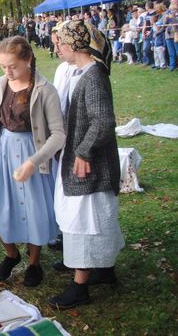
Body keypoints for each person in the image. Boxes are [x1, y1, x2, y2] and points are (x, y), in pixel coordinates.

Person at [0, 36, 65, 287]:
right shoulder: (1, 84)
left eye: (12, 66)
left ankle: (34, 263)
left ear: (27, 60)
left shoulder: (44, 90)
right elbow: (0, 117)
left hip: (32, 153)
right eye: (3, 66)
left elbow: (59, 135)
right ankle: (12, 254)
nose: (7, 72)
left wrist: (33, 161)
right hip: (3, 152)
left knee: (33, 209)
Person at [48, 20, 124, 309]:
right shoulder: (84, 72)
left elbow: (103, 120)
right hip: (86, 161)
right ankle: (104, 270)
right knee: (97, 219)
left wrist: (83, 153)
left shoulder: (93, 77)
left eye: (60, 44)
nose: (57, 48)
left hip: (92, 166)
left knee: (84, 220)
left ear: (71, 46)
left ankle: (79, 287)